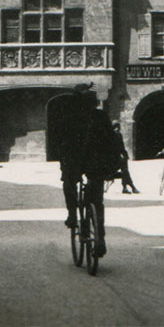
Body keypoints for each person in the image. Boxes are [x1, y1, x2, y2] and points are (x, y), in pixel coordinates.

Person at [52, 83, 122, 257]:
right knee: (97, 201)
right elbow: (111, 141)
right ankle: (100, 238)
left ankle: (72, 215)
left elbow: (58, 141)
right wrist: (113, 164)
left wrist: (62, 159)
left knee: (68, 184)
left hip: (74, 162)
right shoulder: (100, 116)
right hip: (95, 163)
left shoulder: (67, 117)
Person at [111, 121, 138, 194]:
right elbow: (120, 148)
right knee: (125, 169)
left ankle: (126, 187)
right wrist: (125, 156)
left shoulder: (110, 135)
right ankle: (130, 186)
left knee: (124, 168)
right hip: (112, 162)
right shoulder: (117, 135)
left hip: (113, 160)